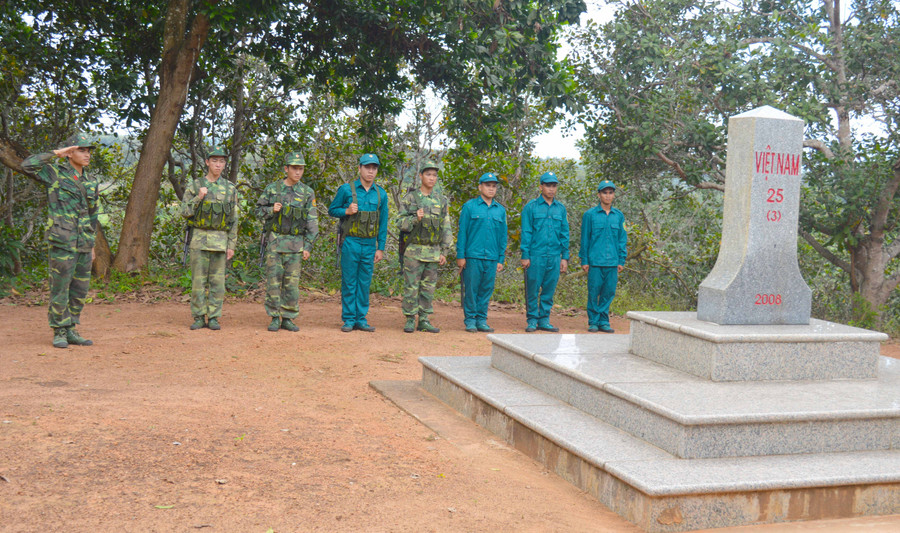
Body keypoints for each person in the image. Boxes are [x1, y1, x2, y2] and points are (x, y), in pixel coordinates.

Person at [21, 133, 99, 349]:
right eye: (81, 150)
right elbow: (28, 165)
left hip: (84, 241)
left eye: (88, 150)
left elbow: (93, 215)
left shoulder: (91, 181)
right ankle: (60, 330)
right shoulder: (54, 173)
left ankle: (72, 328)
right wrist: (56, 153)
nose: (87, 154)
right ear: (70, 152)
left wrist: (92, 245)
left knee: (80, 289)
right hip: (62, 240)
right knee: (60, 287)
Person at [256, 151, 319, 332]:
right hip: (275, 243)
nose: (298, 172)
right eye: (294, 168)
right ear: (286, 169)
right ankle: (275, 317)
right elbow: (257, 211)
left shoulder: (307, 192)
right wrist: (270, 210)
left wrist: (307, 246)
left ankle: (288, 317)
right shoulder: (273, 189)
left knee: (292, 285)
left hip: (296, 246)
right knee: (273, 283)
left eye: (300, 169)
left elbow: (312, 222)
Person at [180, 146, 240, 331]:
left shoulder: (230, 188)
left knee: (217, 283)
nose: (218, 165)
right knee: (198, 282)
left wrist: (231, 245)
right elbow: (184, 212)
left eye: (221, 161)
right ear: (207, 162)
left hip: (220, 240)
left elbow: (234, 219)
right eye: (214, 161)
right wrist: (199, 198)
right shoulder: (196, 186)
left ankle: (213, 316)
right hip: (199, 239)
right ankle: (198, 316)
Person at [328, 153, 389, 332]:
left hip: (369, 244)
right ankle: (348, 319)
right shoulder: (347, 190)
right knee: (349, 281)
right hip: (351, 242)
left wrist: (381, 248)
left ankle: (361, 319)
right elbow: (332, 210)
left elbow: (383, 222)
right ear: (359, 168)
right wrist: (346, 211)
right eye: (367, 167)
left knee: (364, 282)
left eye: (374, 168)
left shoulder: (381, 194)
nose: (371, 171)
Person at [397, 160, 453, 333]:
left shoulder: (441, 200)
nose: (431, 178)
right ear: (420, 176)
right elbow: (400, 223)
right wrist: (415, 219)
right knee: (411, 286)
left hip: (433, 250)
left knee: (428, 288)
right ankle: (409, 318)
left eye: (434, 175)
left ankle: (424, 319)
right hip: (414, 249)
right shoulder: (411, 198)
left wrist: (445, 250)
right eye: (428, 174)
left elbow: (446, 226)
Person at [456, 172, 508, 333]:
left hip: (491, 257)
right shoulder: (470, 207)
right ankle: (470, 320)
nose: (491, 189)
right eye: (488, 185)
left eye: (494, 186)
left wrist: (501, 258)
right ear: (480, 187)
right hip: (473, 255)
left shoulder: (500, 210)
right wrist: (460, 255)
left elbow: (502, 236)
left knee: (486, 289)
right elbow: (463, 232)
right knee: (471, 289)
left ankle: (481, 320)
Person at [520, 171, 570, 332]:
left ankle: (544, 320)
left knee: (549, 289)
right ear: (541, 186)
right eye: (547, 185)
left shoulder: (560, 209)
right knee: (533, 288)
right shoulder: (531, 207)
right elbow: (526, 232)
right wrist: (525, 255)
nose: (551, 189)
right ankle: (532, 320)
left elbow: (564, 234)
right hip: (536, 255)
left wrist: (565, 257)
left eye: (554, 185)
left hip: (554, 256)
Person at [579, 180, 627, 333]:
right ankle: (593, 321)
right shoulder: (590, 215)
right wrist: (584, 260)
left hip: (612, 262)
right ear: (599, 195)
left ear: (614, 195)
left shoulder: (618, 216)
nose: (607, 196)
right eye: (604, 193)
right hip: (595, 261)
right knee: (594, 291)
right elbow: (585, 239)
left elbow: (622, 239)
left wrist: (621, 260)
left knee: (608, 292)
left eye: (610, 193)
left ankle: (604, 321)